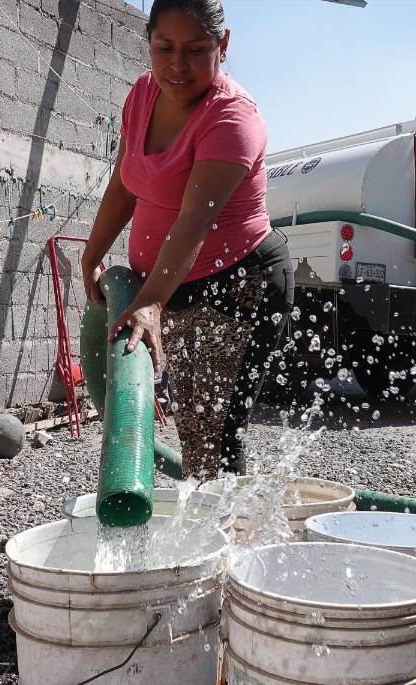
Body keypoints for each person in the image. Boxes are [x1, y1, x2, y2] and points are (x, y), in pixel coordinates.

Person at [79, 0, 293, 479]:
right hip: (176, 285)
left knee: (214, 436)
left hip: (238, 285)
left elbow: (195, 220)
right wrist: (92, 256)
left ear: (223, 44)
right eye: (164, 48)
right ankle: (216, 515)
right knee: (196, 430)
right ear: (149, 42)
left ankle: (229, 524)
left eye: (196, 50)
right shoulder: (142, 94)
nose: (177, 65)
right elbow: (124, 184)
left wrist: (151, 302)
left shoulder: (232, 118)